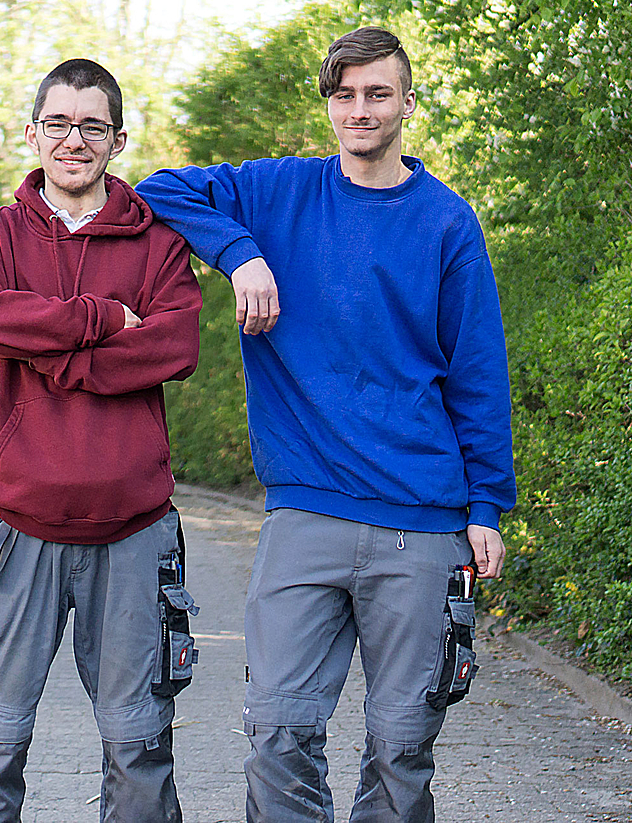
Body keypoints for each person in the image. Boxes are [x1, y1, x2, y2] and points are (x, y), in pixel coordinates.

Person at [134, 26, 516, 822]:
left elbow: (478, 373)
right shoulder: (280, 194)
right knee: (277, 729)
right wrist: (241, 253)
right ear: (329, 105)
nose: (361, 109)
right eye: (345, 94)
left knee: (402, 744)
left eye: (378, 93)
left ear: (408, 102)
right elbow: (160, 189)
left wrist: (486, 509)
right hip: (304, 513)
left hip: (421, 521)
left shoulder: (447, 222)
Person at [0, 58, 202, 823]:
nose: (74, 139)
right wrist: (99, 319)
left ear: (118, 140)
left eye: (92, 126)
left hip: (134, 532)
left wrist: (50, 355)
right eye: (58, 123)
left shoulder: (156, 241)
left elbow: (174, 348)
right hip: (17, 531)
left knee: (140, 746)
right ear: (32, 133)